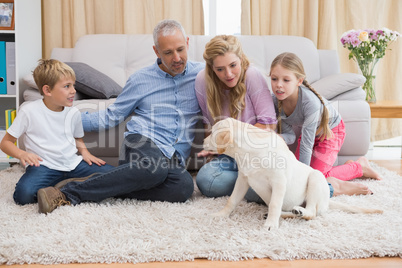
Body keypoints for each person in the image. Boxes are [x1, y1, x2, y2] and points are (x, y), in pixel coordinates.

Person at [35, 19, 205, 214]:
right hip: (143, 142)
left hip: (174, 155)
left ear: (188, 43)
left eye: (180, 49)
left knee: (183, 188)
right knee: (153, 168)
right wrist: (64, 120)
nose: (176, 58)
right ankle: (66, 193)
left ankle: (103, 182)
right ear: (156, 51)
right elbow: (112, 115)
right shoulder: (141, 79)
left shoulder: (201, 74)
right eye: (168, 52)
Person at [0, 59, 113, 205]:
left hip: (73, 164)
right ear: (47, 90)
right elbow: (5, 142)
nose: (73, 91)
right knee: (23, 196)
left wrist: (85, 153)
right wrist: (22, 154)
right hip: (43, 166)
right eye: (67, 86)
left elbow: (78, 137)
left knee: (114, 177)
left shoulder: (73, 112)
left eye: (73, 85)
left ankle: (66, 189)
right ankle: (68, 188)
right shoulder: (28, 111)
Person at [269, 52, 381, 197]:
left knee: (316, 177)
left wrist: (302, 178)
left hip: (331, 132)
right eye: (274, 79)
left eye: (286, 80)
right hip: (310, 134)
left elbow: (306, 146)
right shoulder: (275, 101)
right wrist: (278, 138)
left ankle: (359, 167)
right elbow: (290, 135)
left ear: (299, 81)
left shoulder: (310, 102)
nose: (279, 85)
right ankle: (349, 168)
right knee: (295, 171)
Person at [195, 35, 277, 203]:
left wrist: (230, 142)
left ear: (240, 59)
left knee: (214, 183)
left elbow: (269, 126)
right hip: (228, 157)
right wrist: (212, 151)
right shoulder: (202, 80)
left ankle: (271, 188)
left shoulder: (252, 75)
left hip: (255, 153)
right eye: (220, 69)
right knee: (206, 180)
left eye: (233, 65)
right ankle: (263, 189)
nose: (229, 74)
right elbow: (208, 125)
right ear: (212, 68)